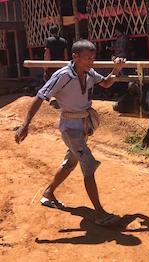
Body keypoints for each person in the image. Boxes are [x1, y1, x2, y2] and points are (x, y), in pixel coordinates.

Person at [15, 39, 126, 226]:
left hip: (83, 126)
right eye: (87, 58)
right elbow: (40, 97)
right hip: (70, 129)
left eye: (93, 58)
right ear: (75, 57)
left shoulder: (90, 72)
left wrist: (116, 69)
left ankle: (48, 193)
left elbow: (106, 84)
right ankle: (100, 214)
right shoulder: (63, 76)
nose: (91, 62)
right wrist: (25, 124)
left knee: (70, 163)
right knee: (88, 164)